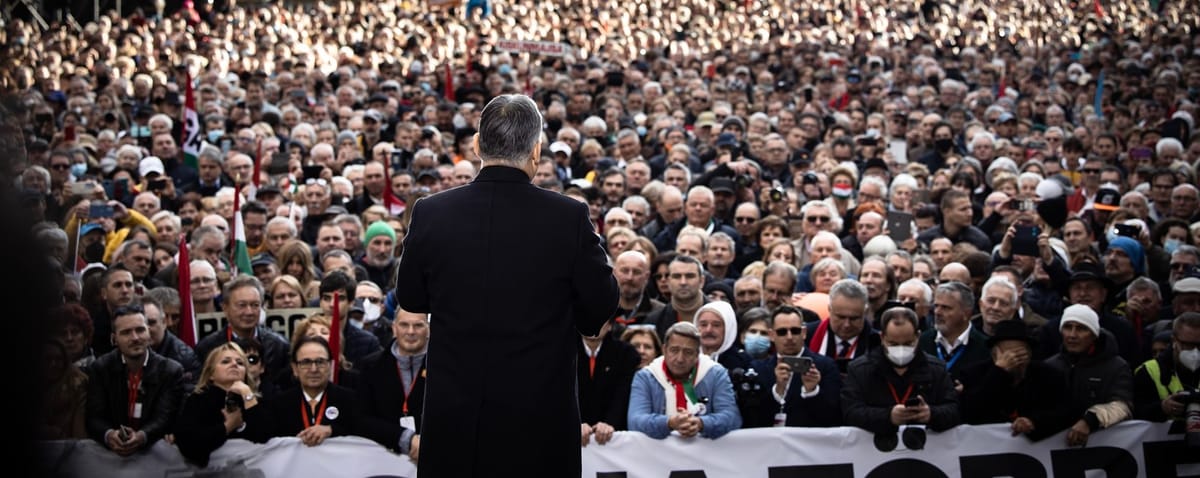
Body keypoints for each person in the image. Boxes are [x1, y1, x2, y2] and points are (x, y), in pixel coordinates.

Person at [394, 95, 618, 476]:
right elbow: (601, 304)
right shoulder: (568, 216)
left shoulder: (431, 212)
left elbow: (412, 297)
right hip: (539, 420)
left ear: (478, 146)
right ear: (536, 150)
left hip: (456, 418)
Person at [841, 307, 960, 450]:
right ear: (882, 337)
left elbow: (954, 410)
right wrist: (888, 417)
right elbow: (850, 412)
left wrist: (931, 414)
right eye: (893, 344)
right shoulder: (860, 369)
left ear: (918, 336)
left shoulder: (936, 368)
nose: (901, 350)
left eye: (908, 343)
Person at [251, 336, 391, 448]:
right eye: (306, 362)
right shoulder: (279, 403)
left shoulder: (350, 400)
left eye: (320, 362)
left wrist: (332, 430)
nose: (313, 369)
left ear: (330, 366)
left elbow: (366, 430)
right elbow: (261, 436)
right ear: (294, 368)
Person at [85, 304, 186, 456]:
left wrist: (142, 436)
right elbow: (94, 417)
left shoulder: (171, 371)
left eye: (140, 330)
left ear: (148, 333)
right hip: (110, 458)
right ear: (114, 339)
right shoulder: (100, 369)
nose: (135, 338)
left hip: (154, 457)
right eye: (126, 332)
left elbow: (164, 417)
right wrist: (109, 434)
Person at [959, 320, 1072, 441]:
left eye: (1020, 354)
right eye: (1008, 354)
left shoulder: (1049, 374)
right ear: (994, 354)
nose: (1014, 360)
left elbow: (1066, 412)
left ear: (1029, 354)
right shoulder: (973, 374)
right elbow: (970, 411)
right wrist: (999, 371)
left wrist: (1034, 422)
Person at [627, 322, 742, 439]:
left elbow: (732, 417)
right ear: (664, 349)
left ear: (697, 354)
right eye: (674, 350)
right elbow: (635, 421)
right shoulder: (646, 376)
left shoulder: (716, 374)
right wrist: (670, 422)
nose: (680, 359)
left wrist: (701, 423)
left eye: (688, 352)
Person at [1044, 305, 1133, 447]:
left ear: (1094, 334)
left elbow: (1122, 406)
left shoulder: (1116, 366)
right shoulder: (1049, 366)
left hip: (1104, 449)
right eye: (1068, 327)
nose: (1072, 335)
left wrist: (1090, 420)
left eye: (1081, 328)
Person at [194, 275, 292, 391]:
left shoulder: (279, 346)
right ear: (225, 308)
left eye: (255, 305)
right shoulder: (207, 347)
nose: (249, 312)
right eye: (242, 305)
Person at [750, 305, 842, 428]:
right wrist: (778, 390)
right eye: (782, 332)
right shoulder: (758, 369)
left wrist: (812, 391)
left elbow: (834, 417)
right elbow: (752, 417)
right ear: (772, 335)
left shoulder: (826, 366)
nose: (789, 337)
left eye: (795, 331)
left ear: (804, 333)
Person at [356, 308, 430, 461]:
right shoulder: (371, 366)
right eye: (404, 325)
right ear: (394, 328)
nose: (411, 331)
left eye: (418, 325)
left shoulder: (447, 367)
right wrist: (405, 438)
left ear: (428, 329)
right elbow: (362, 417)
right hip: (384, 460)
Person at [173, 343, 261, 467]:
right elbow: (189, 444)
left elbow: (265, 435)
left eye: (240, 363)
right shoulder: (198, 400)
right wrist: (227, 426)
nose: (234, 364)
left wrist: (248, 395)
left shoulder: (253, 399)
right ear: (211, 374)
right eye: (225, 361)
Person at [578, 320, 641, 446]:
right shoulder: (562, 351)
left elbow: (623, 394)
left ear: (610, 325)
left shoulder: (626, 354)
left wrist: (610, 423)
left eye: (600, 319)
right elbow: (560, 395)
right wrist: (575, 423)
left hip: (613, 437)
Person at [1132, 312, 1200, 422]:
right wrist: (1162, 407)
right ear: (1174, 341)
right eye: (1188, 345)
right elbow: (1136, 412)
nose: (1195, 351)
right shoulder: (1149, 371)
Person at [919, 282, 990, 382]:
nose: (937, 312)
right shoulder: (922, 341)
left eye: (945, 308)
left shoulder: (986, 348)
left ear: (966, 313)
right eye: (936, 306)